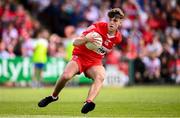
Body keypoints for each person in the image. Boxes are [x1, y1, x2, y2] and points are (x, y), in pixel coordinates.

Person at [38, 8, 125, 114]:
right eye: (110, 19)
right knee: (66, 76)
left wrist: (100, 49)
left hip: (95, 61)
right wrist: (86, 39)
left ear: (120, 23)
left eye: (115, 21)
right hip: (80, 56)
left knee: (101, 76)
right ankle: (53, 97)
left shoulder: (118, 38)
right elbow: (75, 42)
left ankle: (88, 102)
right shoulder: (96, 27)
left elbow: (107, 49)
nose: (111, 22)